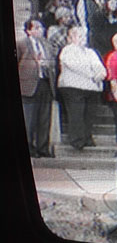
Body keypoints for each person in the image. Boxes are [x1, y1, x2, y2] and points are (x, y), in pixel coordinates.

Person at [57, 26, 106, 151]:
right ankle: (77, 140)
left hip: (91, 87)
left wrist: (100, 75)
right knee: (76, 114)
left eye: (84, 36)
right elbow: (74, 65)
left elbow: (100, 67)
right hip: (73, 87)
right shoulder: (67, 50)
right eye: (79, 36)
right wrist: (92, 75)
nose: (83, 39)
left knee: (89, 114)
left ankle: (87, 137)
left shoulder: (91, 52)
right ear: (71, 38)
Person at [17, 19, 56, 158]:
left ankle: (42, 147)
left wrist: (46, 64)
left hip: (45, 82)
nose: (41, 29)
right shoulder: (21, 44)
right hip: (29, 84)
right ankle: (29, 147)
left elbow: (52, 61)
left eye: (41, 27)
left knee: (44, 118)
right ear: (29, 30)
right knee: (29, 118)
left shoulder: (45, 44)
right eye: (37, 27)